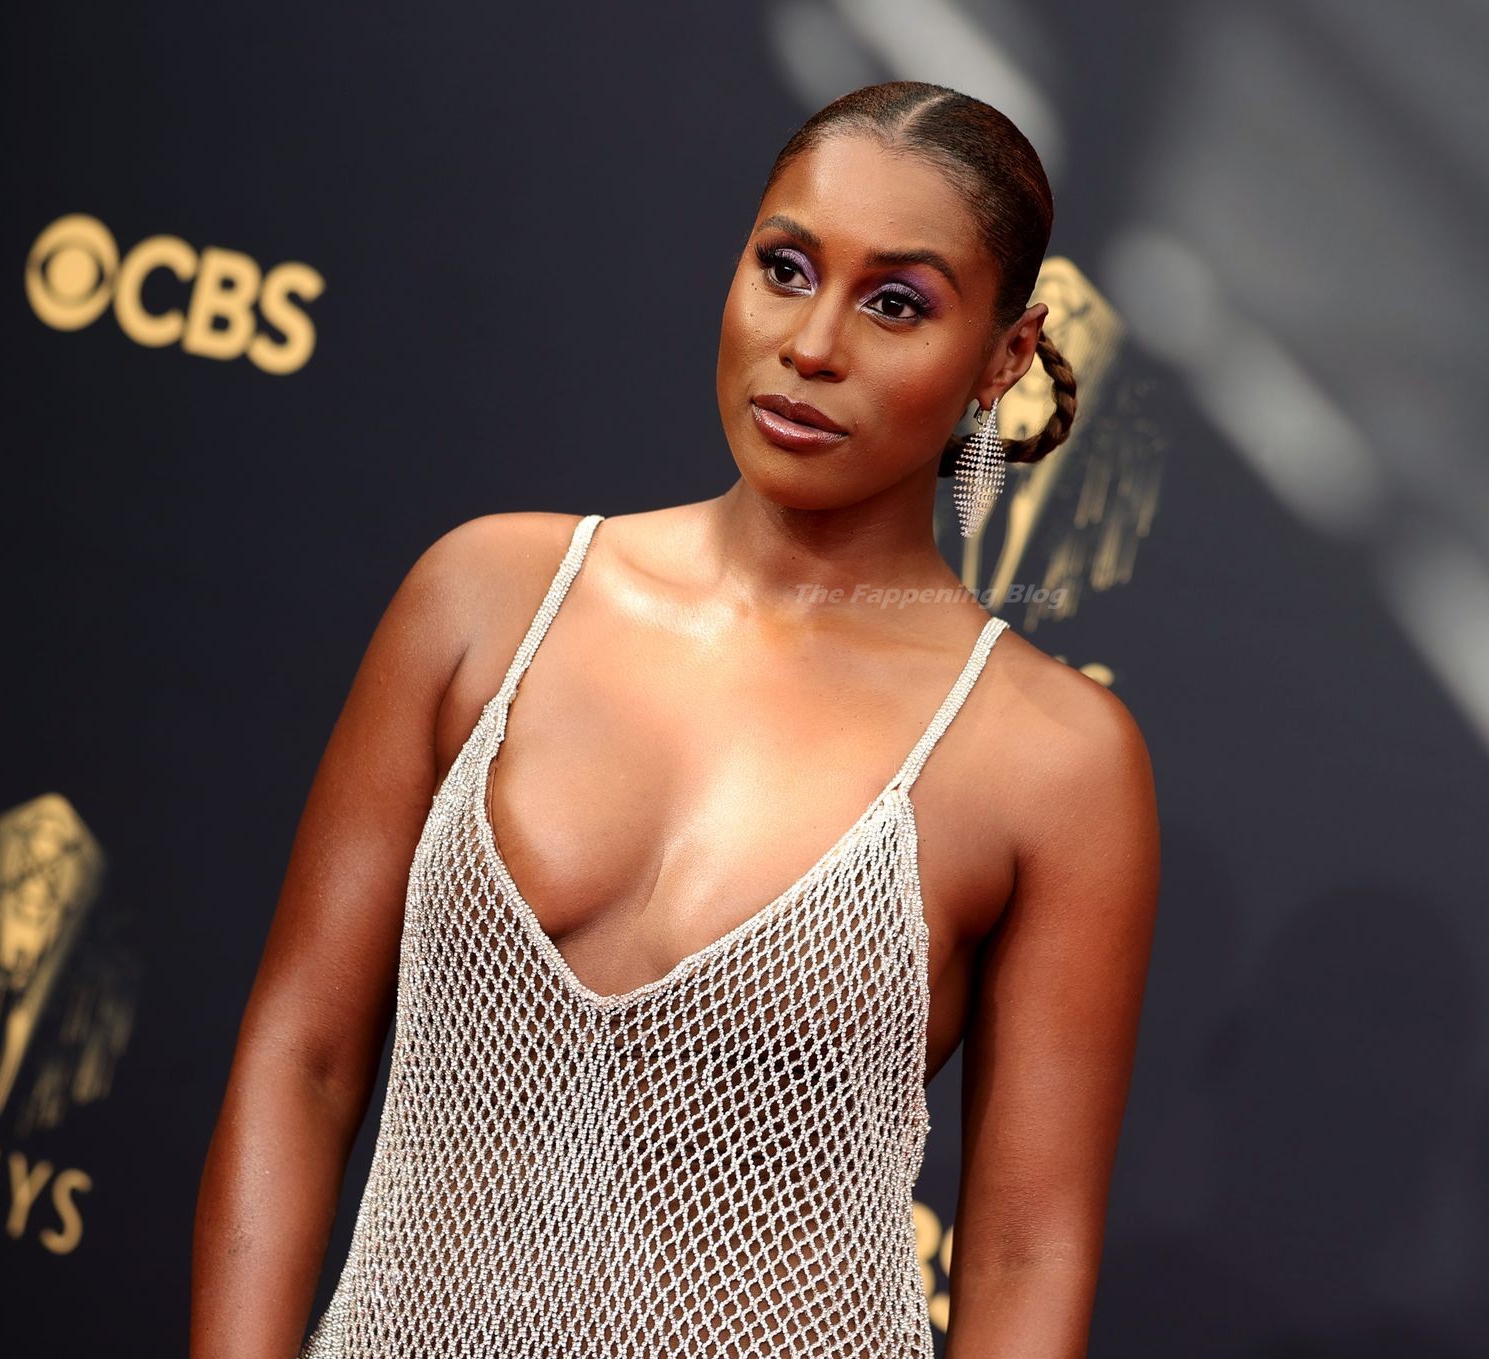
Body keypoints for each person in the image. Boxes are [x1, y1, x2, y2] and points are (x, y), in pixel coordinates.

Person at [192, 80, 1160, 1359]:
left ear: (1004, 356)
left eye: (896, 303)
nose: (812, 344)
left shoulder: (1052, 760)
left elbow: (1024, 1253)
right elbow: (304, 1057)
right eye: (785, 268)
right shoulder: (487, 597)